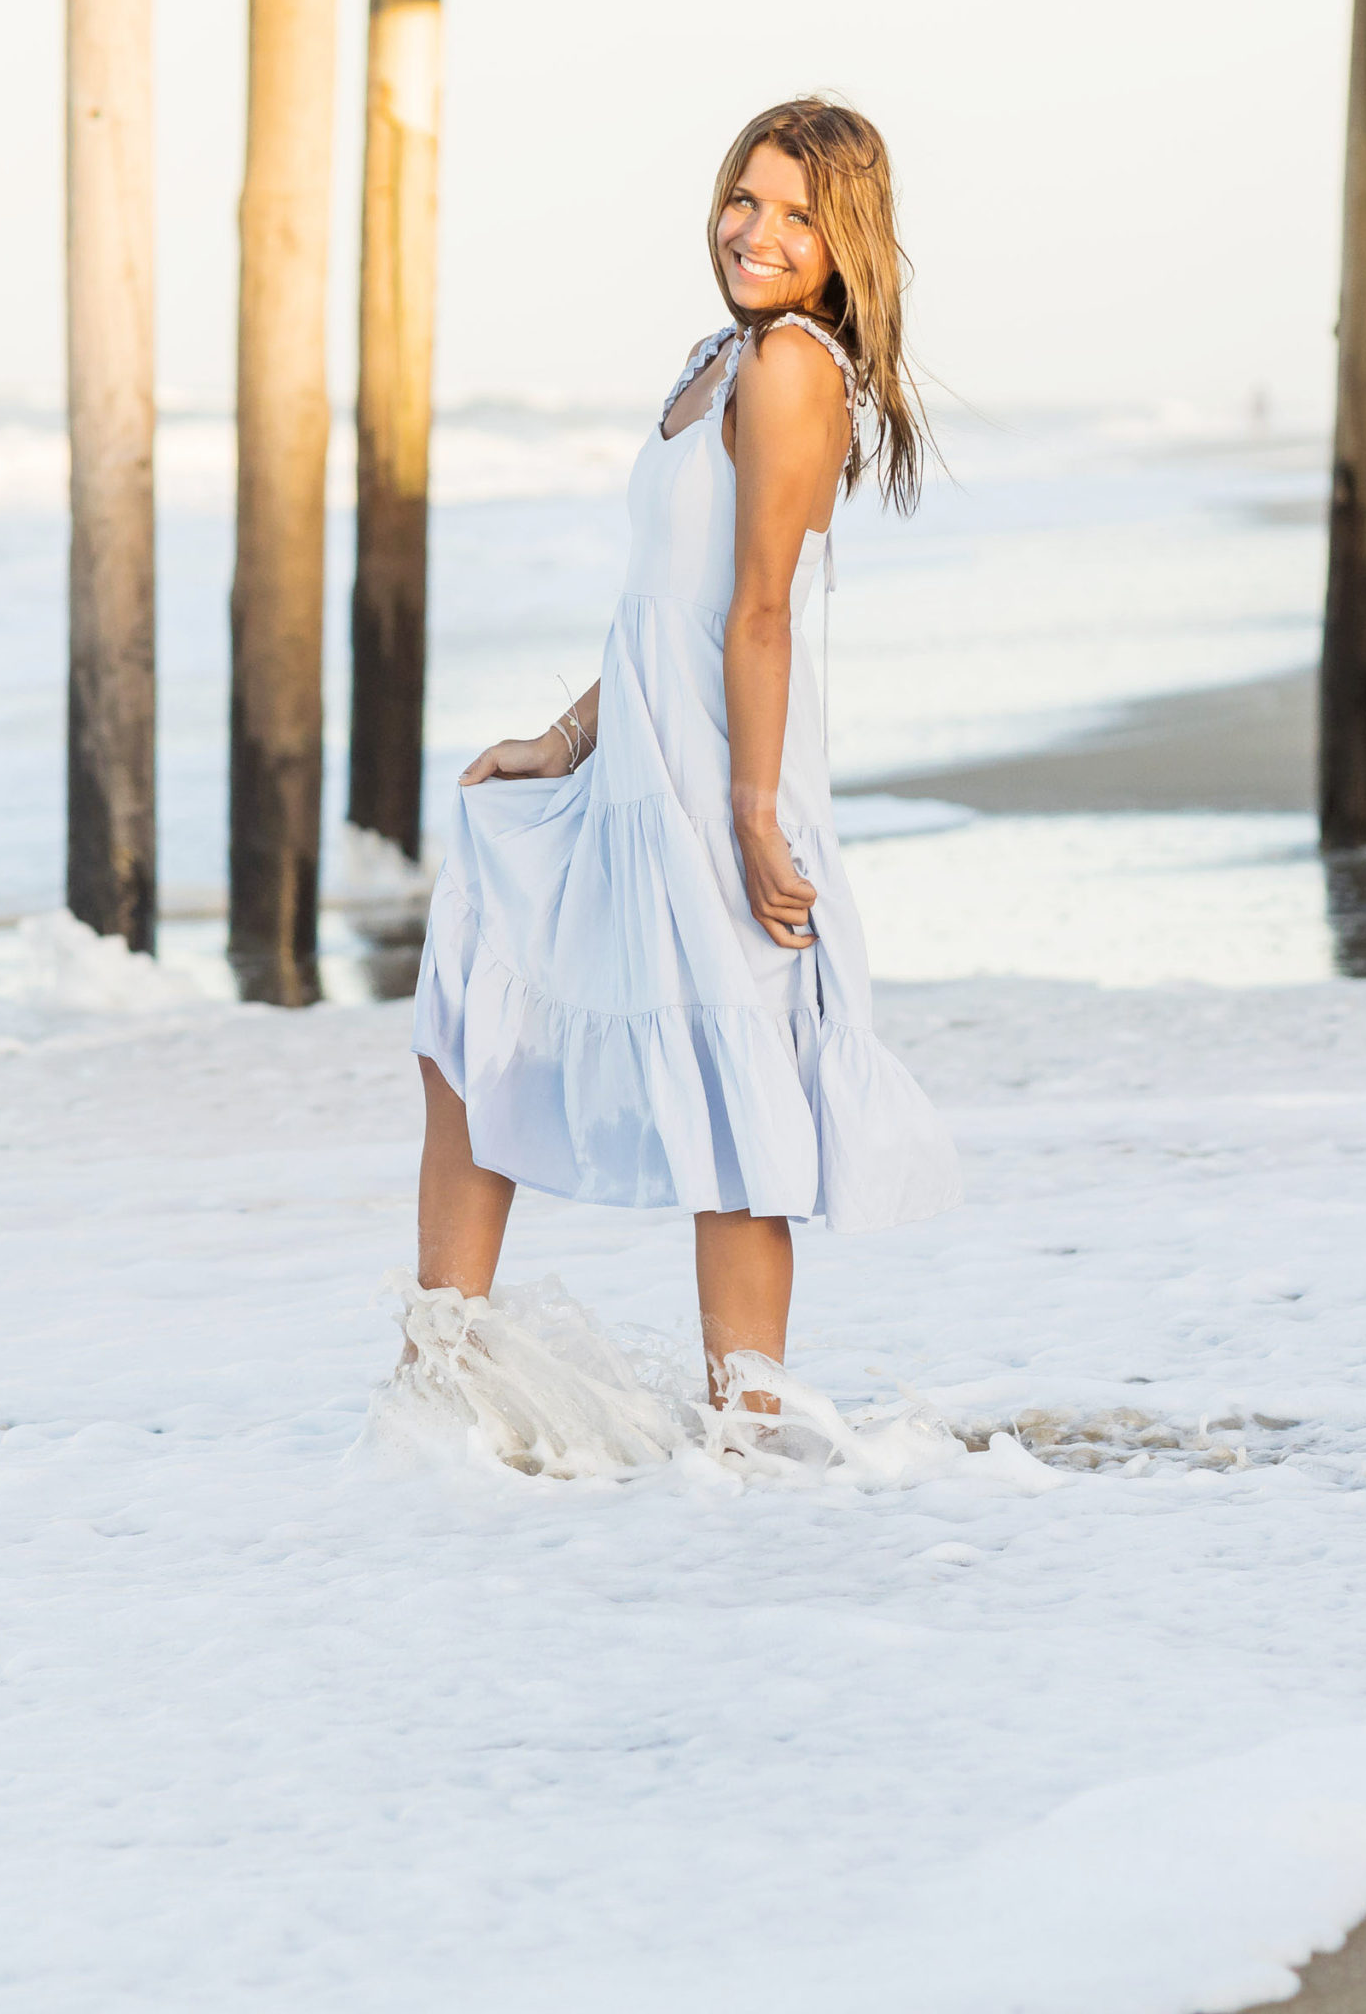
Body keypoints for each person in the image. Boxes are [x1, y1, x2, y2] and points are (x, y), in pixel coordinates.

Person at [408, 98, 960, 1412]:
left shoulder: (792, 369)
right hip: (639, 768)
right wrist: (564, 737)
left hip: (719, 780)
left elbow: (760, 611)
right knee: (467, 1001)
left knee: (735, 1101)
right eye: (747, 199)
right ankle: (442, 1365)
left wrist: (755, 817)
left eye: (798, 216)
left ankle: (752, 1422)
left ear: (846, 246)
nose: (759, 231)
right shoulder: (719, 355)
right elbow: (670, 603)